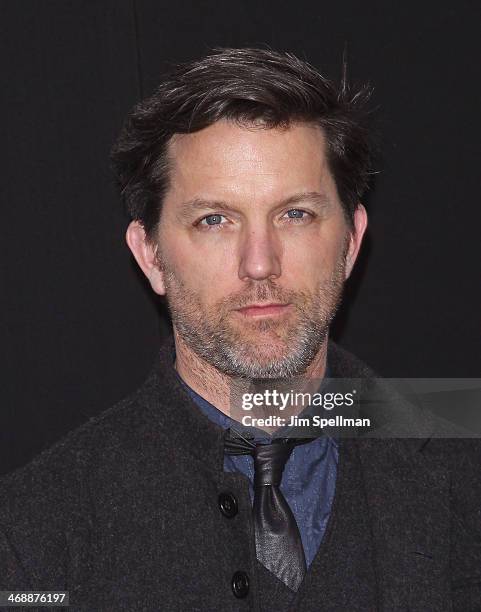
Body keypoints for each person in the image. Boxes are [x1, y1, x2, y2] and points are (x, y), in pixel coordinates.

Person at [0, 48, 480, 612]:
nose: (260, 263)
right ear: (151, 255)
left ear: (350, 242)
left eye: (295, 214)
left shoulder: (462, 468)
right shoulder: (34, 531)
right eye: (215, 220)